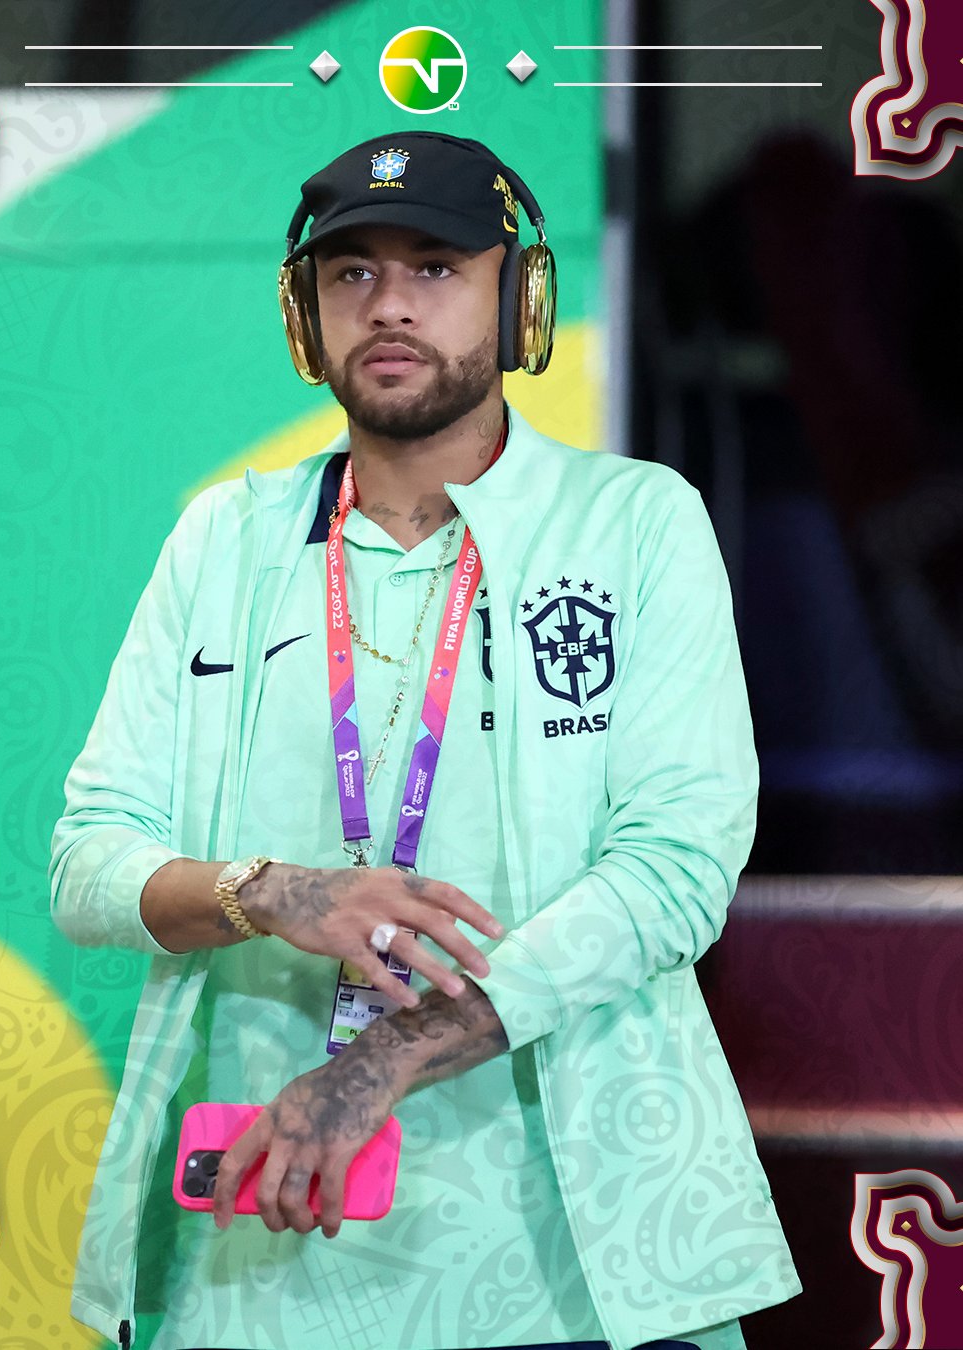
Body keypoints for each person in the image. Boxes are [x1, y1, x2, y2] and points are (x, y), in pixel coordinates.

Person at [49, 131, 801, 1350]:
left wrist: (379, 1061)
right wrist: (274, 892)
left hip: (582, 1267)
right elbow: (88, 863)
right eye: (352, 272)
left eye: (437, 267)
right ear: (305, 315)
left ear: (522, 299)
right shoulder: (224, 540)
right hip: (262, 1265)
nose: (390, 304)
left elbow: (676, 870)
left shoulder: (635, 524)